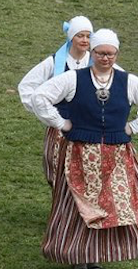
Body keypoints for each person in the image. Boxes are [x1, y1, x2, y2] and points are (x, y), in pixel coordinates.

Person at [31, 29, 138, 269]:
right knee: (76, 206)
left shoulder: (128, 81)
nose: (106, 58)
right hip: (79, 154)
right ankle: (78, 259)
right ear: (92, 53)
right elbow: (40, 97)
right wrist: (61, 123)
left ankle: (97, 257)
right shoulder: (73, 79)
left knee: (110, 206)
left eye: (110, 54)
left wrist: (133, 126)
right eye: (101, 53)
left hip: (116, 155)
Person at [18, 16, 95, 186]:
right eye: (80, 35)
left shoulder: (96, 62)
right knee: (59, 173)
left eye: (88, 36)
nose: (84, 40)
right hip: (61, 127)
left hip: (90, 127)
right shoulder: (54, 62)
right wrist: (44, 111)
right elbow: (26, 86)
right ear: (71, 37)